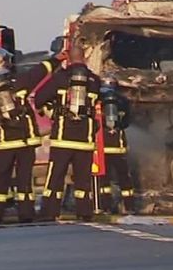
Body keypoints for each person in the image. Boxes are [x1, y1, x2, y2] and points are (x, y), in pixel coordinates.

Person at [35, 46, 101, 221]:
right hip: (85, 140)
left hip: (63, 138)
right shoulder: (94, 80)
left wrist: (52, 113)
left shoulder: (61, 78)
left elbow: (40, 99)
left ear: (69, 59)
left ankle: (49, 212)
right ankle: (85, 212)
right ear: (84, 58)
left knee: (55, 177)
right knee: (83, 180)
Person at [0, 49, 44, 223]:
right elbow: (39, 72)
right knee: (24, 180)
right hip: (26, 141)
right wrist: (57, 60)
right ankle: (26, 214)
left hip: (4, 143)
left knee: (2, 180)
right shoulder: (19, 82)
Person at [98, 74, 135, 214]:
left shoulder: (97, 99)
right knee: (124, 178)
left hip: (102, 147)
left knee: (104, 179)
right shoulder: (123, 101)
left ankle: (106, 206)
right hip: (119, 147)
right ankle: (129, 206)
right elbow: (126, 123)